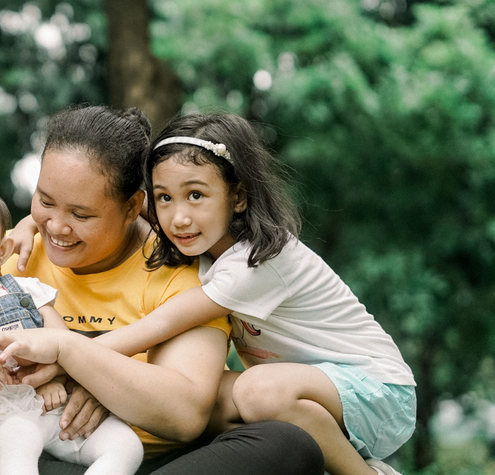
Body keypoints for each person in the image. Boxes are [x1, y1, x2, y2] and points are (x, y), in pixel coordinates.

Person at [0, 105, 326, 475]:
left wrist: (78, 361)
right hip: (24, 454)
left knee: (288, 445)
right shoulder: (13, 252)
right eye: (45, 201)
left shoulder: (179, 267)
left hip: (140, 460)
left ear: (133, 206)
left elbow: (185, 414)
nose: (56, 227)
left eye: (81, 214)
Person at [81, 113, 415, 475]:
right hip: (303, 391)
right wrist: (34, 222)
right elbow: (109, 207)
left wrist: (72, 355)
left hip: (379, 393)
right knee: (190, 397)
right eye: (164, 197)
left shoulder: (259, 260)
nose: (177, 217)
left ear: (238, 196)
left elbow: (162, 322)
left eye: (196, 195)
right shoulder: (203, 237)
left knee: (257, 390)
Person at [0, 179, 143, 475]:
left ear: (3, 249)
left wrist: (53, 381)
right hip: (8, 413)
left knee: (127, 446)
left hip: (59, 407)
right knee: (17, 449)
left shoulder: (27, 290)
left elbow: (62, 343)